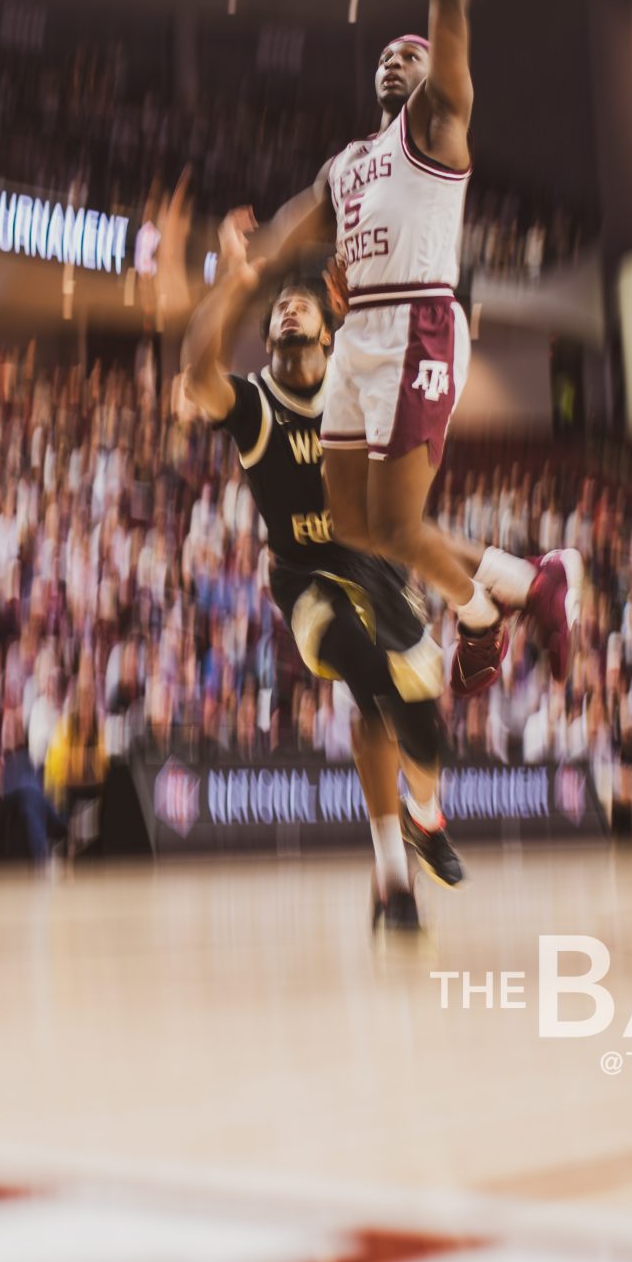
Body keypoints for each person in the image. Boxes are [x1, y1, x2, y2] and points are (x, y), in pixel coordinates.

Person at [231, 0, 577, 708]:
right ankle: (525, 578)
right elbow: (296, 220)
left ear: (435, 77)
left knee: (398, 520)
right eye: (387, 53)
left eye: (412, 52)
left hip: (423, 323)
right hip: (364, 335)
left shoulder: (440, 125)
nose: (396, 55)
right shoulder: (349, 161)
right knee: (356, 524)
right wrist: (249, 258)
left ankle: (482, 607)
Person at [158, 186, 464, 937]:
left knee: (419, 717)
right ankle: (393, 875)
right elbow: (198, 373)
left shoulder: (357, 384)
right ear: (268, 342)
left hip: (380, 568)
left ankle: (424, 819)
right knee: (369, 676)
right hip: (305, 578)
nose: (288, 312)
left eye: (303, 309)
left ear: (330, 336)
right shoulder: (254, 401)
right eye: (277, 313)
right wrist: (234, 284)